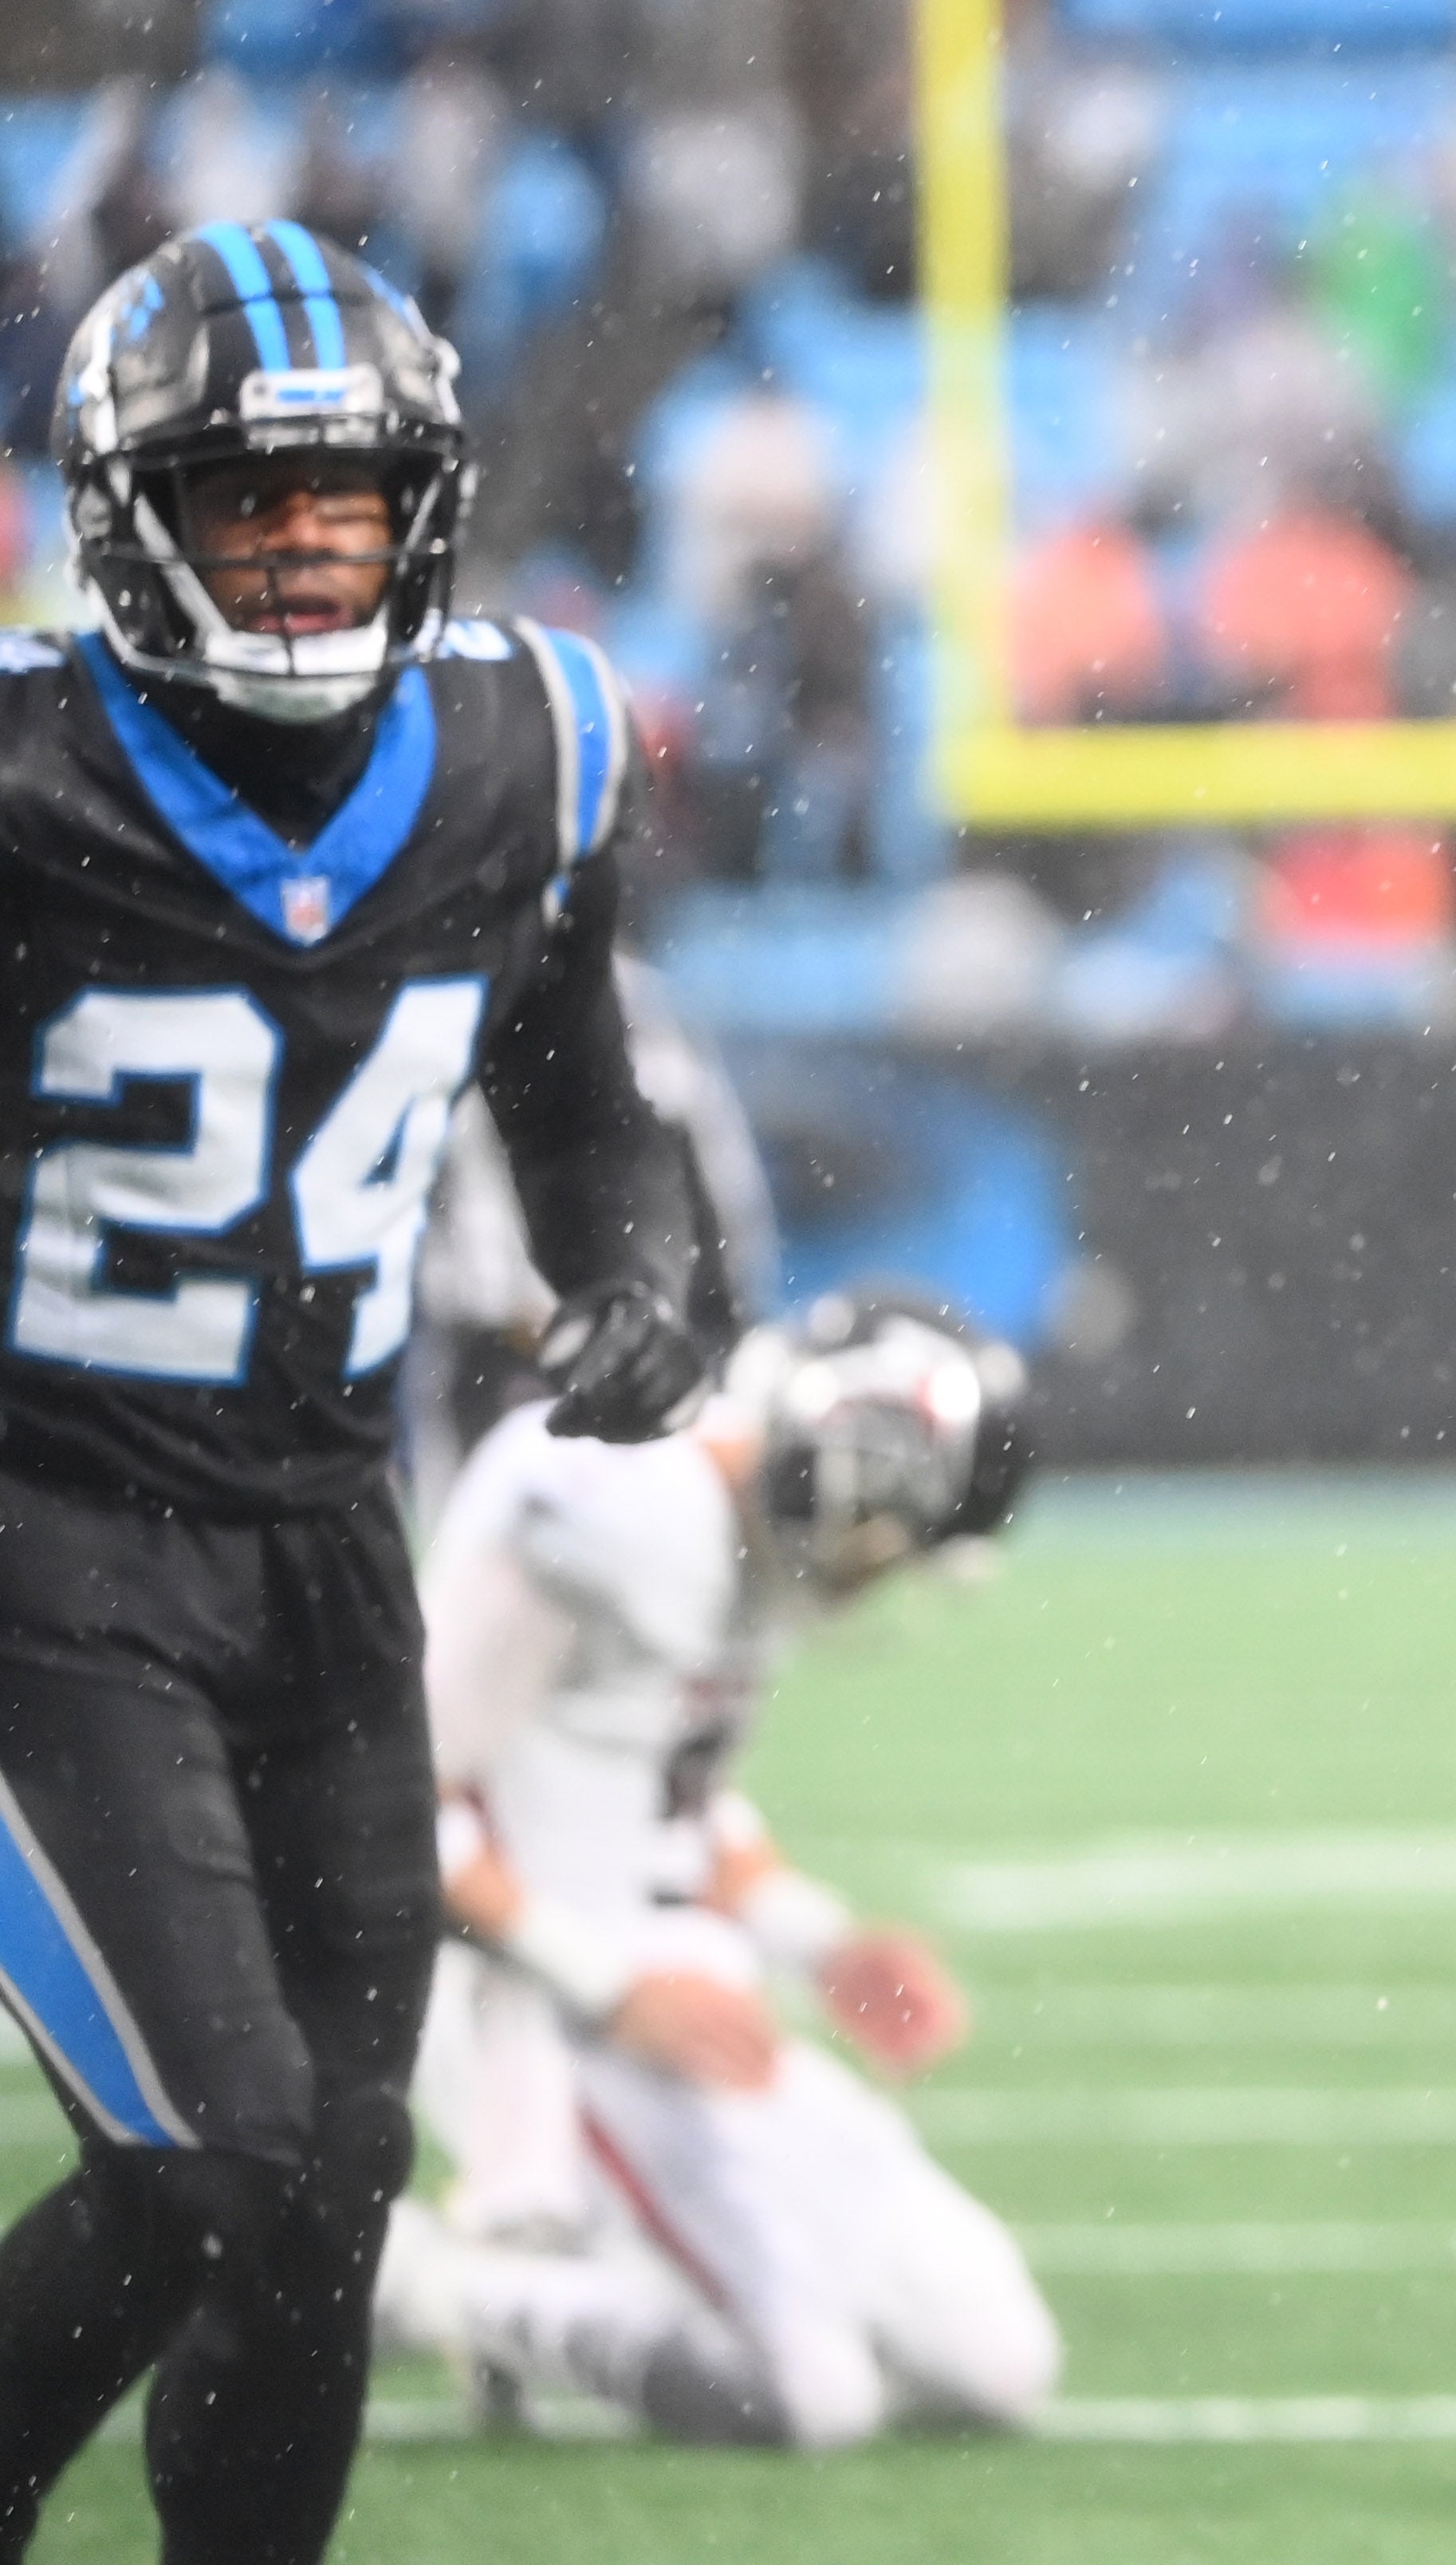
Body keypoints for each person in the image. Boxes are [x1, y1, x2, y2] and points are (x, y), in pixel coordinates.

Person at [0, 227, 712, 2563]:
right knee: (203, 2159)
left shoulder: (529, 752)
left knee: (328, 2197)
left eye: (344, 498)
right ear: (126, 521)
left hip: (329, 1554)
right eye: (246, 503)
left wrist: (640, 1285)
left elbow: (583, 1108)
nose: (305, 549)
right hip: (48, 1553)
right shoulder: (28, 780)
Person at [376, 1290, 1056, 2445]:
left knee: (995, 2357)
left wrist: (816, 1940)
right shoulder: (623, 1511)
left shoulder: (737, 1539)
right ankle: (420, 2282)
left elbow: (672, 1803)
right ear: (849, 1468)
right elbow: (393, 1804)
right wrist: (606, 1988)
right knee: (808, 2395)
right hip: (534, 1996)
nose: (880, 1577)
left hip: (674, 1992)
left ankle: (588, 2278)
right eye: (896, 1539)